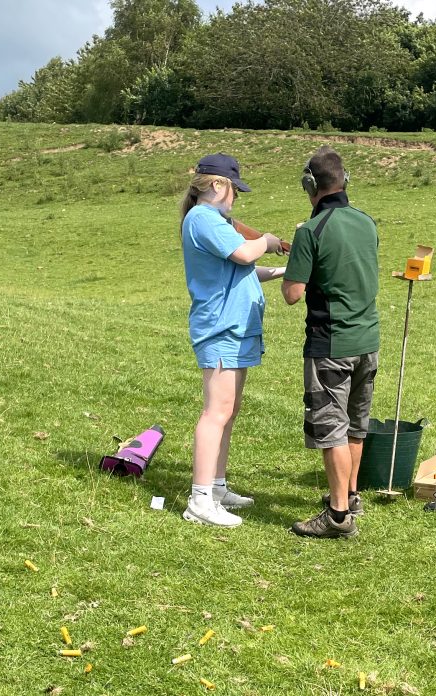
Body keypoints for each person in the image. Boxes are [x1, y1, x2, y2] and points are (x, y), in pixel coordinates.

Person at [180, 153, 285, 527]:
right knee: (216, 413)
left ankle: (217, 487)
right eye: (235, 190)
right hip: (220, 329)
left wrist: (286, 269)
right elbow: (243, 253)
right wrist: (269, 240)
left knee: (229, 410)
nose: (236, 198)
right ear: (218, 185)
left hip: (236, 329)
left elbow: (243, 269)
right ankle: (200, 500)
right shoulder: (203, 218)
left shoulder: (213, 222)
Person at [282, 146, 380, 539]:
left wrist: (294, 267)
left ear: (310, 185)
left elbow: (293, 293)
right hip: (368, 340)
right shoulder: (367, 222)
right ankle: (350, 495)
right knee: (356, 426)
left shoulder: (310, 231)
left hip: (331, 345)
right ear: (345, 181)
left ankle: (338, 515)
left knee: (331, 430)